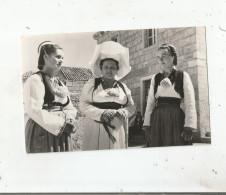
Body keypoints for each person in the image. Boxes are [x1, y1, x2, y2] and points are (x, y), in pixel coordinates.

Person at [79, 41, 136, 151]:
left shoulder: (123, 87)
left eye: (112, 68)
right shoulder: (93, 84)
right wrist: (102, 113)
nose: (109, 70)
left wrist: (125, 112)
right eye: (106, 67)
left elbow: (131, 106)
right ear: (101, 69)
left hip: (117, 129)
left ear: (117, 69)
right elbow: (83, 104)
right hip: (96, 127)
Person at [24, 41, 77, 153]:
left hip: (63, 128)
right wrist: (61, 125)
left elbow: (69, 107)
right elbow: (33, 109)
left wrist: (70, 119)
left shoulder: (60, 84)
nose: (61, 60)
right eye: (58, 56)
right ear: (45, 57)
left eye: (62, 57)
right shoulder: (35, 80)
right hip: (43, 129)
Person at [142, 43, 197, 147]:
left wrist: (188, 127)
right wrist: (147, 126)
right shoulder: (156, 78)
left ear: (173, 57)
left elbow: (190, 102)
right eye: (158, 57)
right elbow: (150, 103)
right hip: (157, 119)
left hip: (175, 118)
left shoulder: (182, 76)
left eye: (164, 56)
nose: (160, 60)